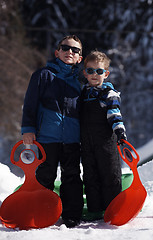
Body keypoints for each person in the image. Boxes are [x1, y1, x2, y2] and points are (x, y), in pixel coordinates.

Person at [21, 35, 84, 228]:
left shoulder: (80, 82)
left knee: (72, 175)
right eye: (65, 48)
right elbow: (30, 104)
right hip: (47, 136)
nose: (70, 52)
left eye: (75, 50)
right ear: (57, 52)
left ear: (80, 58)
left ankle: (71, 215)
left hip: (72, 138)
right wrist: (28, 129)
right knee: (45, 175)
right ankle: (40, 212)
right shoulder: (43, 75)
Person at [80, 50, 127, 221]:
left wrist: (120, 132)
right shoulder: (83, 94)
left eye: (99, 71)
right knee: (90, 176)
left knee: (109, 174)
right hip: (86, 143)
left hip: (105, 142)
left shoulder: (109, 94)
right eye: (90, 71)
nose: (94, 75)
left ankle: (112, 209)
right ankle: (95, 210)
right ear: (85, 72)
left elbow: (115, 115)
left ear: (106, 74)